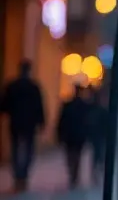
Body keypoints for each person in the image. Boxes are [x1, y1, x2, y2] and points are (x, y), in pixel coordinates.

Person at [0, 59, 46, 192]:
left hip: (15, 122)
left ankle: (18, 175)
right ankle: (23, 175)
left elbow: (4, 104)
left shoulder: (12, 86)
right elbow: (39, 106)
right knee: (29, 149)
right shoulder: (34, 87)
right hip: (29, 124)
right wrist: (41, 122)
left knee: (16, 149)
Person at [56, 86, 91, 188]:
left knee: (70, 154)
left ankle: (73, 173)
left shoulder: (68, 105)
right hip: (79, 135)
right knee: (77, 155)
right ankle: (74, 173)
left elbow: (62, 121)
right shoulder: (84, 106)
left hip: (70, 134)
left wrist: (60, 134)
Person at [86, 86, 108, 178]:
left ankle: (97, 170)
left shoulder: (98, 110)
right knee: (98, 153)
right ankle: (96, 170)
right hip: (98, 135)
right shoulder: (96, 109)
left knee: (98, 153)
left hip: (99, 135)